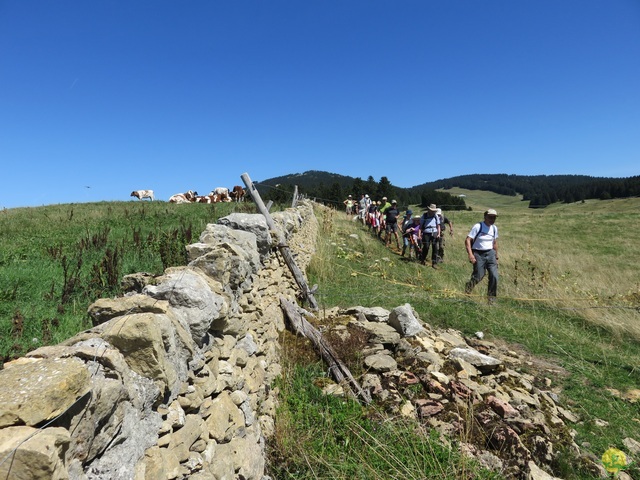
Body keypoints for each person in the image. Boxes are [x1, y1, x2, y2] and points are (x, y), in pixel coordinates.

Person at [465, 209, 499, 303]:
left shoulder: (494, 228)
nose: (492, 219)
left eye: (494, 218)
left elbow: (495, 242)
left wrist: (496, 257)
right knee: (479, 275)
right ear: (485, 217)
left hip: (491, 254)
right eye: (490, 217)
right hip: (478, 254)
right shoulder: (478, 226)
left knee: (494, 276)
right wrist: (471, 255)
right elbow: (468, 240)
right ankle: (469, 287)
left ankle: (491, 299)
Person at [419, 204, 441, 268]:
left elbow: (438, 225)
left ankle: (434, 263)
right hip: (426, 232)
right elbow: (420, 226)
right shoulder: (424, 216)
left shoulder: (435, 216)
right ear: (429, 210)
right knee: (426, 246)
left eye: (434, 211)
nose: (433, 212)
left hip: (434, 232)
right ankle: (422, 259)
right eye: (432, 210)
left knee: (435, 248)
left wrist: (438, 233)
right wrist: (419, 234)